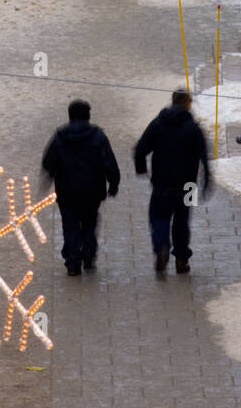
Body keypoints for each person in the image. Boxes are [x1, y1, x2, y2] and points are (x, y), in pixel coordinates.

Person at [134, 89, 211, 273]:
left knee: (159, 217)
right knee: (183, 222)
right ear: (187, 104)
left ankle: (161, 246)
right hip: (189, 186)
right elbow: (204, 157)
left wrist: (142, 169)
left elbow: (140, 149)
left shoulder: (158, 123)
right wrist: (207, 180)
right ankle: (182, 259)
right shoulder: (194, 128)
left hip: (161, 182)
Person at [42, 100, 120, 275]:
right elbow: (109, 162)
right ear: (88, 116)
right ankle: (89, 255)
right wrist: (114, 183)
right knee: (89, 224)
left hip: (67, 191)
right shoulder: (98, 136)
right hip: (92, 191)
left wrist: (48, 179)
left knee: (70, 226)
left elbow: (48, 163)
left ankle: (72, 262)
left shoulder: (60, 136)